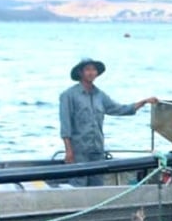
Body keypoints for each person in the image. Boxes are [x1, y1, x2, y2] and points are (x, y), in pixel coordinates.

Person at [59, 58, 158, 186]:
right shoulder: (68, 95)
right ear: (80, 73)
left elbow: (119, 109)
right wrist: (69, 151)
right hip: (79, 151)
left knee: (97, 185)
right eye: (87, 69)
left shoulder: (100, 95)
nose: (91, 72)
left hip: (98, 149)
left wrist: (143, 102)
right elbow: (65, 125)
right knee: (78, 185)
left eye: (94, 69)